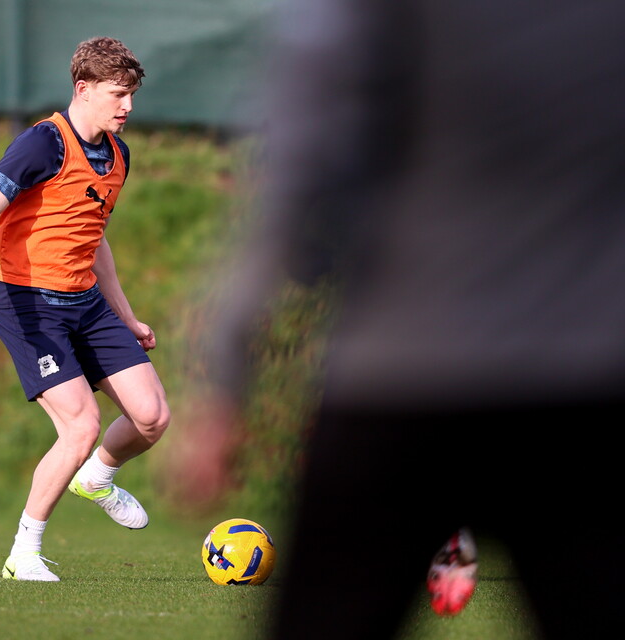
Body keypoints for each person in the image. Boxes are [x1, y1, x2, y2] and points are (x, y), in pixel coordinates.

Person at [177, 0, 625, 637]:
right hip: (589, 382)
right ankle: (454, 549)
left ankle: (454, 548)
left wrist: (227, 374)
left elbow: (303, 167)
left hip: (406, 374)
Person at [0, 36, 170, 582]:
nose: (127, 106)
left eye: (132, 95)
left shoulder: (118, 155)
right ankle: (23, 552)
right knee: (80, 425)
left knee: (151, 417)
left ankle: (97, 477)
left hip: (86, 301)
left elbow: (94, 240)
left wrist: (125, 315)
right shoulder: (43, 144)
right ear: (84, 88)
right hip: (27, 301)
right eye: (118, 94)